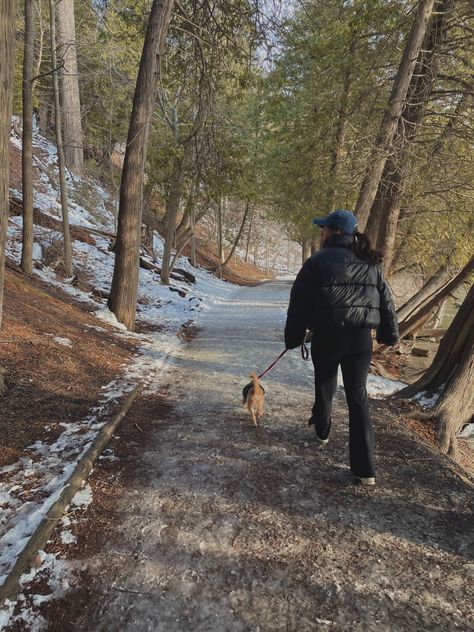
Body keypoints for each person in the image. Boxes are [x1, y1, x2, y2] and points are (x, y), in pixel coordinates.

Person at [284, 210, 399, 486]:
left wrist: (293, 337)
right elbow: (386, 301)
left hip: (327, 337)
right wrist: (389, 333)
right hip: (360, 341)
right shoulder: (371, 263)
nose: (321, 233)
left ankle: (322, 430)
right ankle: (365, 469)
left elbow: (299, 303)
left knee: (325, 384)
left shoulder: (316, 263)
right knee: (358, 399)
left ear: (334, 232)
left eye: (324, 229)